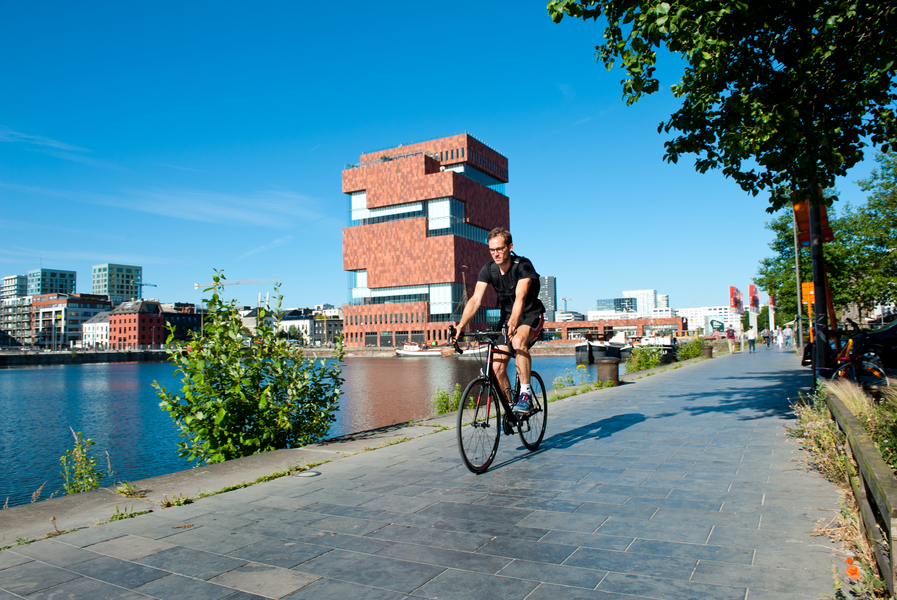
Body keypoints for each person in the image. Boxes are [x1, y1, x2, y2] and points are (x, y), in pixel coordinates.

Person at [451, 227, 545, 414]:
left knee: (518, 341)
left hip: (530, 315)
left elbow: (520, 296)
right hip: (507, 317)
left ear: (510, 247)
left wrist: (513, 323)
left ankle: (525, 395)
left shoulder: (523, 265)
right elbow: (476, 300)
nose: (496, 253)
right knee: (496, 368)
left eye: (500, 249)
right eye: (492, 250)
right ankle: (511, 408)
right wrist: (460, 326)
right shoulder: (489, 269)